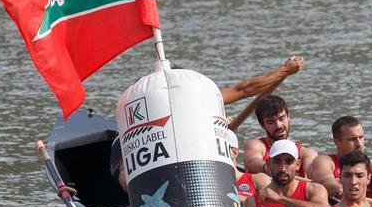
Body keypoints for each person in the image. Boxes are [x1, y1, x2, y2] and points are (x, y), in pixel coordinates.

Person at [110, 55, 307, 189]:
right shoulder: (139, 123)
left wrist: (283, 72)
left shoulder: (194, 101)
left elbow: (244, 89)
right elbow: (125, 177)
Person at [307, 116, 372, 201]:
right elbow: (325, 180)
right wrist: (340, 189)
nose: (359, 144)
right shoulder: (324, 161)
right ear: (337, 142)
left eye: (361, 137)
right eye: (352, 139)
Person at [242, 94, 319, 175]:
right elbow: (251, 161)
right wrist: (270, 169)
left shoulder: (306, 153)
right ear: (262, 125)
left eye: (281, 119)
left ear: (288, 117)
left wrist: (316, 174)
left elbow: (312, 170)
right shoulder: (256, 145)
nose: (278, 125)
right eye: (271, 122)